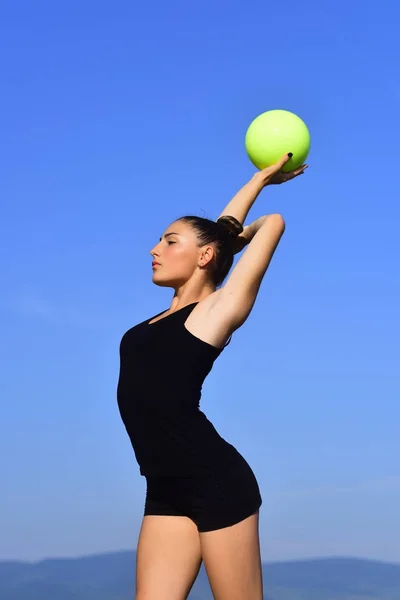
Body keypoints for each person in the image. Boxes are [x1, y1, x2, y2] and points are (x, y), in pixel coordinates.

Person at [117, 153, 307, 600]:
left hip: (215, 484)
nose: (154, 250)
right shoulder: (160, 319)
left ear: (204, 255)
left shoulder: (217, 312)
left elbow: (274, 222)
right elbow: (219, 232)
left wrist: (231, 241)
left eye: (169, 241)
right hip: (164, 489)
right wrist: (259, 178)